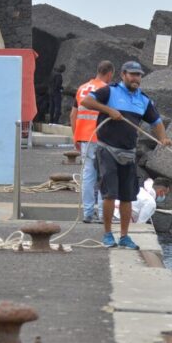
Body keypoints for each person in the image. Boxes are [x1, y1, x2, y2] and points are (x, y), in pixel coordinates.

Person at [80, 61, 171, 249]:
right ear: (123, 75)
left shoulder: (143, 100)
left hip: (129, 153)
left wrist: (163, 138)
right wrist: (109, 110)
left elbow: (156, 121)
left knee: (128, 197)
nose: (136, 78)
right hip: (107, 149)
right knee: (110, 194)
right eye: (132, 74)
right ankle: (107, 234)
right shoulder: (110, 91)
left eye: (138, 75)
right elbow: (86, 101)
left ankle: (124, 236)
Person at [70, 61, 115, 224]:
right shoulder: (107, 90)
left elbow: (73, 115)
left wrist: (75, 136)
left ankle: (88, 213)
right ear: (109, 74)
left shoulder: (82, 88)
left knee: (88, 175)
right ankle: (104, 214)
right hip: (102, 137)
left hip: (84, 137)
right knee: (105, 175)